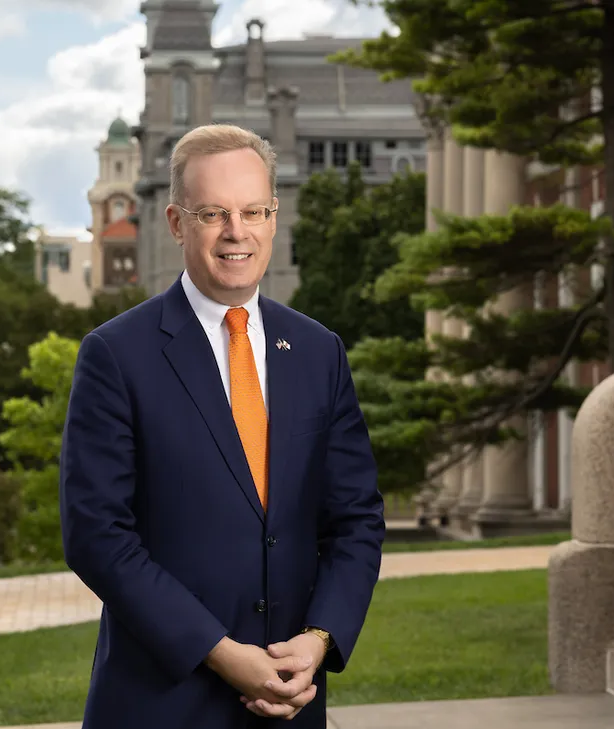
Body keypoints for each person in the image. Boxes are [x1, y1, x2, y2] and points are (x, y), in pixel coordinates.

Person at [59, 123, 385, 728]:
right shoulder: (116, 355)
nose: (238, 232)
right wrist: (220, 653)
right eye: (214, 213)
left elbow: (356, 520)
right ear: (178, 223)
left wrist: (317, 640)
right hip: (161, 703)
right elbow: (97, 537)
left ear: (273, 217)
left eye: (254, 210)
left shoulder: (318, 351)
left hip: (291, 701)